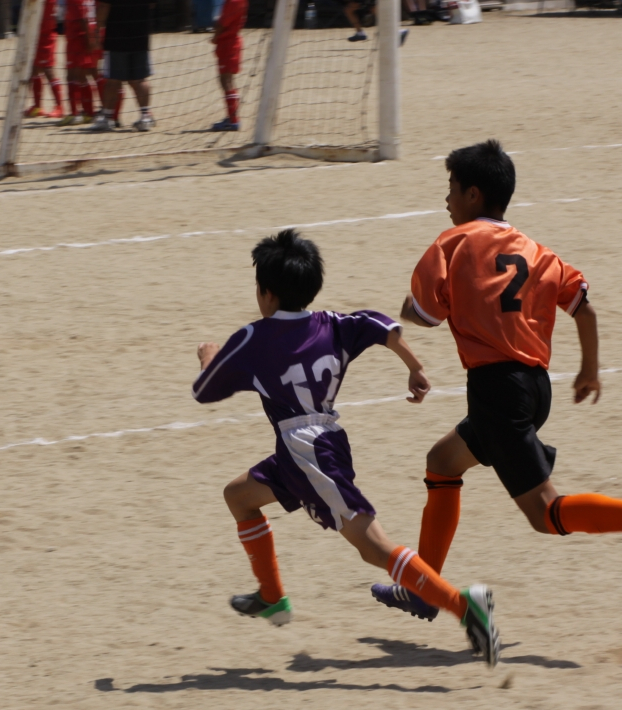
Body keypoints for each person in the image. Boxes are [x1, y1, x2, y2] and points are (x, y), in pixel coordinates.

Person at [372, 139, 622, 623]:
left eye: (451, 188)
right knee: (442, 462)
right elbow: (584, 309)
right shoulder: (537, 251)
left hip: (496, 392)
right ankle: (425, 589)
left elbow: (427, 314)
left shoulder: (452, 243)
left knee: (545, 513)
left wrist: (408, 310)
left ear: (473, 194)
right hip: (534, 388)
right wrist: (589, 369)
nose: (446, 199)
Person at [192, 229, 501, 667]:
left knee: (373, 545)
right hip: (316, 444)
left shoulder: (254, 337)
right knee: (240, 496)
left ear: (266, 293)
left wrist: (209, 355)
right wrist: (414, 367)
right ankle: (272, 598)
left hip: (306, 451)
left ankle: (463, 605)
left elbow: (203, 391)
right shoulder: (333, 324)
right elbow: (379, 325)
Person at [92, 0, 154, 132]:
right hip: (140, 36)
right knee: (140, 79)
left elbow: (104, 7)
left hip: (117, 37)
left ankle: (107, 118)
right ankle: (145, 117)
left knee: (112, 80)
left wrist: (97, 29)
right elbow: (152, 4)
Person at [62, 0, 101, 124]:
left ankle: (75, 114)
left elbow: (82, 19)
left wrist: (89, 40)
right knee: (86, 75)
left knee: (72, 76)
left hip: (78, 38)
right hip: (87, 34)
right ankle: (89, 113)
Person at [209, 0, 246, 132]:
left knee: (226, 81)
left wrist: (215, 36)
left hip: (228, 43)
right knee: (228, 80)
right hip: (230, 42)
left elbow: (223, 23)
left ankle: (233, 120)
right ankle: (232, 117)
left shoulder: (233, 1)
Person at [27, 0, 67, 118]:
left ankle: (59, 107)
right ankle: (37, 107)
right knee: (34, 69)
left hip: (46, 34)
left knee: (48, 70)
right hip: (37, 33)